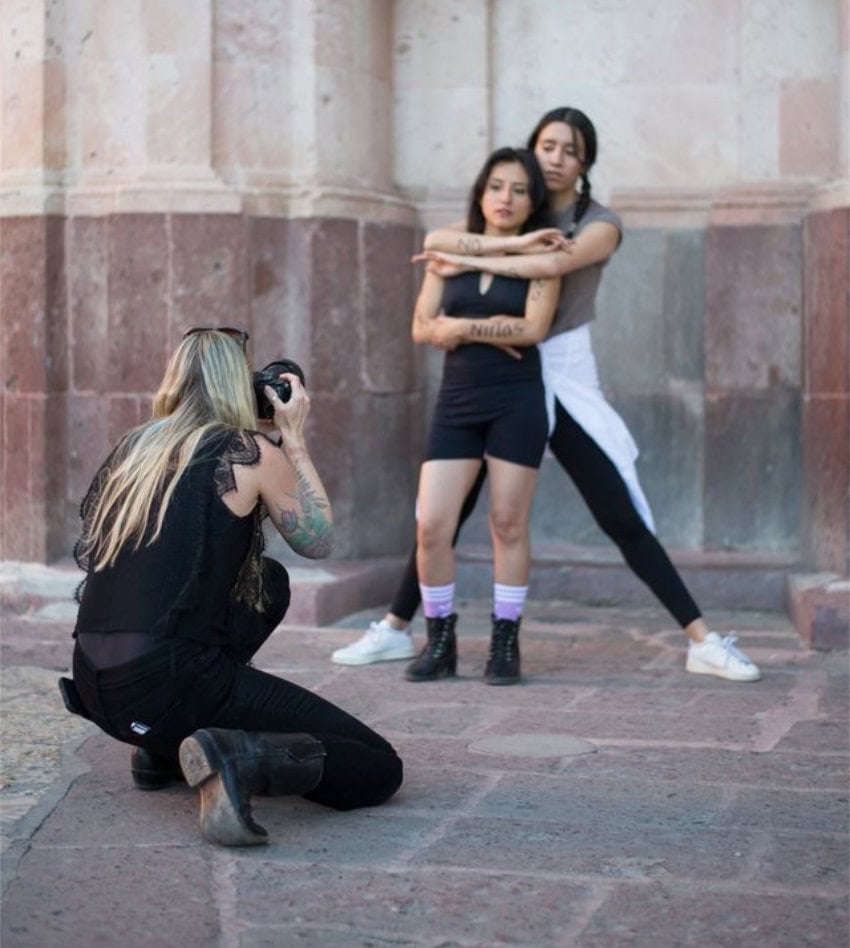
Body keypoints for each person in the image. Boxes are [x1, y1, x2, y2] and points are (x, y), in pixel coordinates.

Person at [332, 107, 761, 683]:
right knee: (442, 516)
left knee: (616, 510)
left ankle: (703, 640)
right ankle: (395, 627)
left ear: (586, 163)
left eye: (570, 150)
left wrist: (463, 261)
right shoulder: (513, 206)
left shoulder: (599, 222)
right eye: (547, 146)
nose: (555, 158)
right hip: (493, 372)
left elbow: (551, 262)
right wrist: (469, 255)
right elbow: (443, 244)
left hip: (559, 367)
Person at [62, 327, 402, 847]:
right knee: (376, 767)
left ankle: (159, 750)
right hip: (168, 680)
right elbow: (317, 540)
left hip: (92, 682)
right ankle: (237, 758)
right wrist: (295, 440)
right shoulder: (245, 451)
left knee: (269, 582)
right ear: (235, 385)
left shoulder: (135, 450)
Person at [401, 146, 560, 685]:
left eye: (519, 189)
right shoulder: (448, 247)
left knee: (507, 524)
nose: (506, 198)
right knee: (431, 528)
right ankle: (439, 639)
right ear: (481, 191)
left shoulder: (546, 255)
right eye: (497, 186)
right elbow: (422, 326)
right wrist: (484, 312)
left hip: (517, 399)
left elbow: (533, 329)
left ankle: (504, 640)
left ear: (533, 199)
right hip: (458, 403)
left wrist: (463, 327)